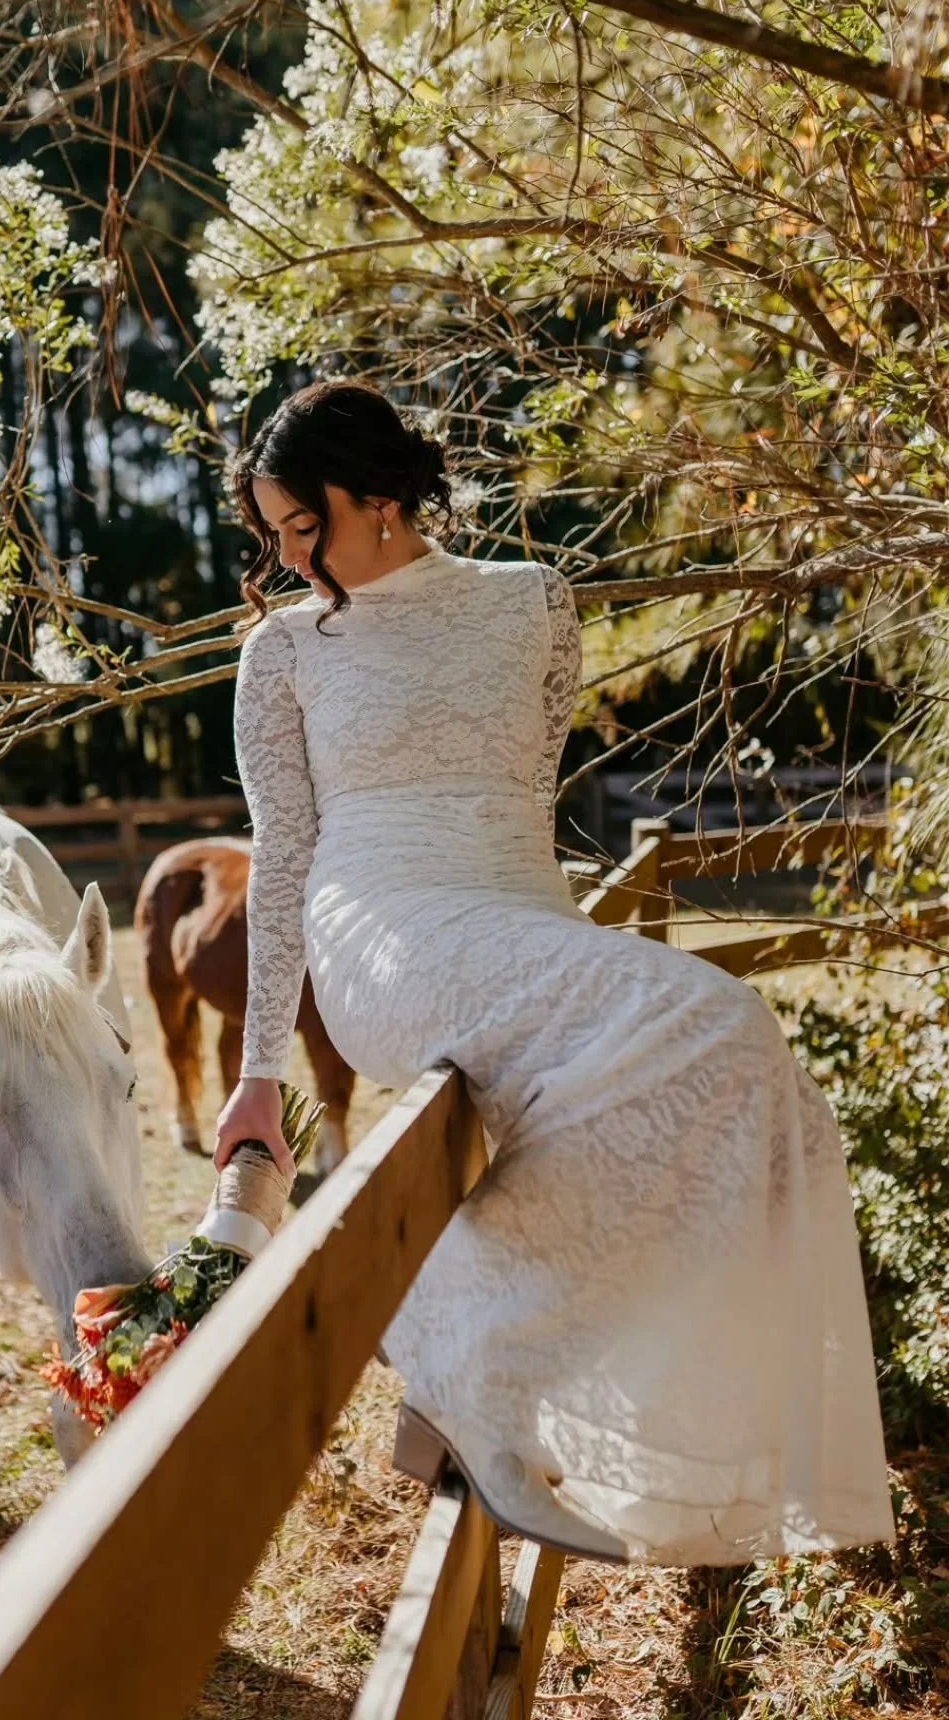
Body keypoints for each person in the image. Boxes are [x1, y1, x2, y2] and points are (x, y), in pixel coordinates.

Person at [213, 377, 894, 1566]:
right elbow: (281, 861)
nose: (285, 557)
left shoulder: (535, 602)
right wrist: (260, 1067)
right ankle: (469, 1361)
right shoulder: (283, 653)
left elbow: (529, 804)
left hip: (516, 913)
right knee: (718, 1014)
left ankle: (477, 1359)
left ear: (375, 496)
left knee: (735, 1054)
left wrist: (570, 957)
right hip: (382, 928)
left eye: (300, 524)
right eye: (271, 535)